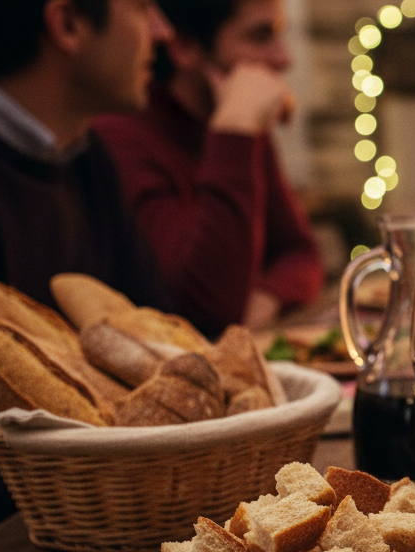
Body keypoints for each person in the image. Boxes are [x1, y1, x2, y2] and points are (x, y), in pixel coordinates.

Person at [0, 0, 174, 548]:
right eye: (143, 7)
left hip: (110, 520)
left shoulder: (85, 156)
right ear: (69, 23)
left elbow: (158, 336)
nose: (162, 31)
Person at [94, 0, 324, 337]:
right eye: (261, 37)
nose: (284, 59)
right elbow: (206, 309)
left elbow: (300, 253)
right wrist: (235, 129)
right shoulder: (123, 137)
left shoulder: (240, 122)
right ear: (185, 47)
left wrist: (267, 297)